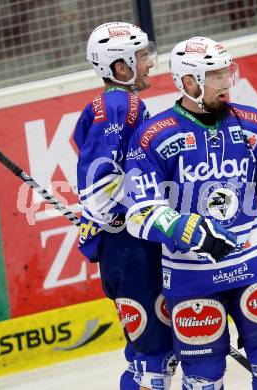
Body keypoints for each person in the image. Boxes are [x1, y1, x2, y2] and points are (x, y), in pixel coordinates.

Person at [124, 36, 257, 389]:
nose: (226, 82)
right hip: (191, 276)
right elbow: (139, 211)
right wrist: (188, 230)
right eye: (215, 75)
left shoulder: (252, 124)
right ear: (188, 81)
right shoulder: (153, 137)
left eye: (228, 72)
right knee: (203, 377)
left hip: (253, 264)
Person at [73, 22, 177, 390]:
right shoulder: (120, 102)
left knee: (147, 355)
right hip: (128, 247)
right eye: (142, 56)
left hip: (125, 245)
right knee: (154, 359)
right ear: (120, 67)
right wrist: (111, 209)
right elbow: (99, 183)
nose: (150, 63)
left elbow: (85, 148)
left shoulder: (113, 104)